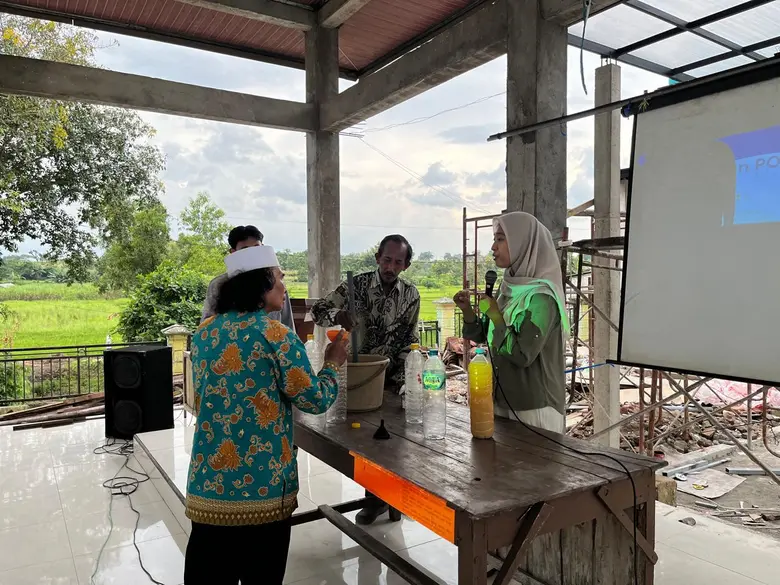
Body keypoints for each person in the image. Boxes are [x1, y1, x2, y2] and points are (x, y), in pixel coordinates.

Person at [184, 245, 349, 585]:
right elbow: (315, 400)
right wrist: (332, 363)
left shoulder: (204, 333)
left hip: (209, 487)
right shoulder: (276, 336)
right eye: (278, 278)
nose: (284, 287)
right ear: (260, 286)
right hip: (264, 490)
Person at [310, 234, 420, 525]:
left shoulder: (411, 294)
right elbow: (317, 311)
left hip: (391, 377)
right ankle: (375, 498)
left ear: (406, 265)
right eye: (387, 260)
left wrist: (406, 380)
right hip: (358, 375)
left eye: (398, 262)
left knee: (391, 442)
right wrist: (339, 314)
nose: (390, 267)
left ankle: (387, 499)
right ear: (377, 258)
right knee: (364, 442)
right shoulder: (355, 286)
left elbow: (409, 337)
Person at [454, 211, 568, 433]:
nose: (493, 247)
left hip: (534, 408)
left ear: (523, 244)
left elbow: (522, 354)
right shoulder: (509, 289)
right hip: (502, 400)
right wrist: (467, 311)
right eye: (494, 239)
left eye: (500, 239)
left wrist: (496, 316)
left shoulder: (541, 298)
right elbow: (488, 336)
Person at [202, 225, 296, 331]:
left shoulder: (276, 281)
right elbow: (207, 323)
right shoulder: (219, 284)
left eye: (256, 248)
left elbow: (287, 322)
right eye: (245, 250)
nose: (252, 255)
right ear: (233, 252)